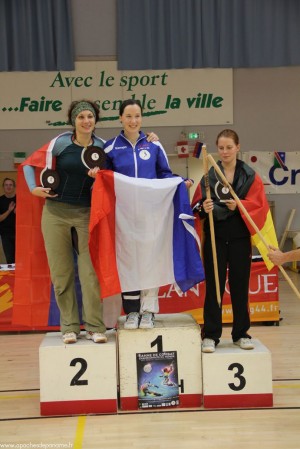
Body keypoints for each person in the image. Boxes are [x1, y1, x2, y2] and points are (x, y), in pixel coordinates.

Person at [89, 99, 194, 331]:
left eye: (137, 116)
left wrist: (180, 182)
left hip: (152, 216)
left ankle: (149, 312)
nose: (133, 121)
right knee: (128, 262)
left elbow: (164, 174)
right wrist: (96, 176)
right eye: (128, 116)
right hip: (123, 218)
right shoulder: (110, 147)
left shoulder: (154, 146)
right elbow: (105, 181)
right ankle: (132, 312)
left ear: (142, 118)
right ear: (120, 118)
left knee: (150, 260)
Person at [22, 100, 108, 344]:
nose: (86, 121)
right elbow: (29, 164)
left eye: (90, 116)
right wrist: (32, 188)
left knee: (89, 273)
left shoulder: (102, 147)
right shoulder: (59, 143)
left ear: (95, 120)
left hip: (86, 214)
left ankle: (94, 326)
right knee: (62, 273)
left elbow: (110, 180)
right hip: (55, 213)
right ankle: (69, 326)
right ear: (73, 121)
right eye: (80, 117)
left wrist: (98, 178)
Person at [192, 129, 269, 353]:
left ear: (237, 147)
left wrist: (240, 206)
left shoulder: (250, 175)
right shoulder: (209, 174)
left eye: (229, 147)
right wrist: (204, 208)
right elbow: (196, 205)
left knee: (239, 286)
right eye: (221, 148)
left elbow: (259, 206)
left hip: (240, 238)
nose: (225, 152)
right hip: (215, 237)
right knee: (214, 286)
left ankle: (241, 333)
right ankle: (211, 335)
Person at [0, 178, 16, 264]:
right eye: (6, 185)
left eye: (10, 185)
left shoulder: (20, 199)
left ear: (14, 187)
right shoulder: (0, 200)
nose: (8, 187)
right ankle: (11, 277)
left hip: (19, 234)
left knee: (20, 258)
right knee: (9, 259)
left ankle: (20, 277)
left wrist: (20, 213)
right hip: (5, 234)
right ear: (3, 187)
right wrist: (9, 210)